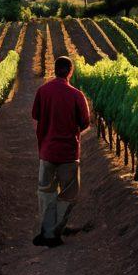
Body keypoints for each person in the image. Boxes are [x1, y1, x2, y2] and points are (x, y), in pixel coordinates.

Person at [31, 55, 91, 247]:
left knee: (46, 193)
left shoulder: (42, 91)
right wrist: (71, 133)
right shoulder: (76, 95)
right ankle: (53, 234)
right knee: (68, 194)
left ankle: (47, 231)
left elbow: (36, 116)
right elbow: (85, 122)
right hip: (68, 153)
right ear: (70, 71)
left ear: (54, 69)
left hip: (47, 151)